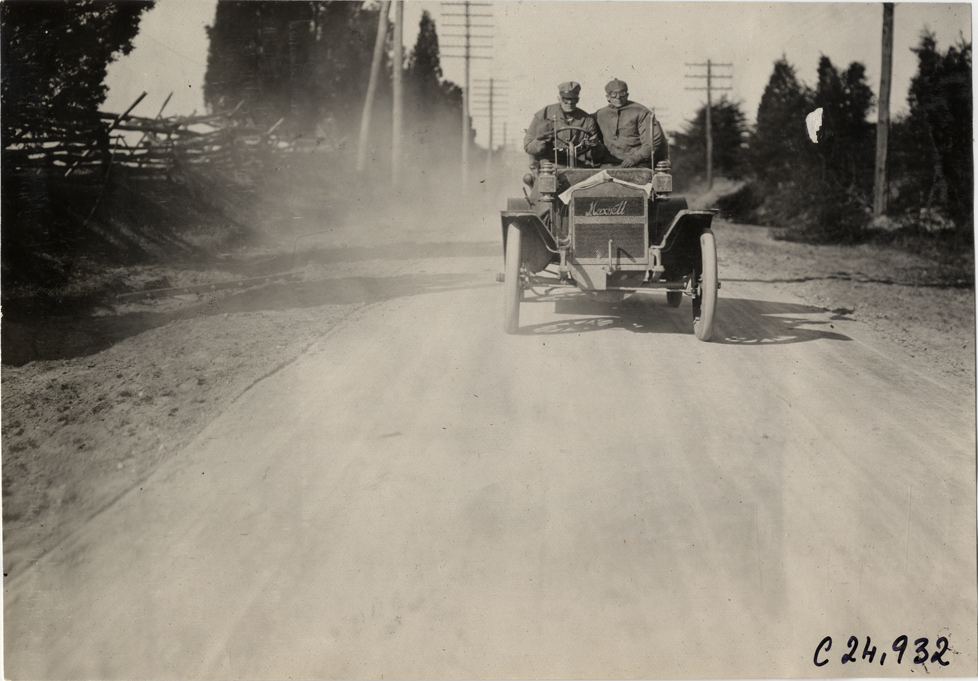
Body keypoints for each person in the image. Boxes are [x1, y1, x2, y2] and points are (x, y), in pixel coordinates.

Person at [523, 81, 603, 168]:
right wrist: (541, 141)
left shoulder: (587, 119)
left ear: (578, 100)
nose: (569, 103)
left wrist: (595, 145)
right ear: (559, 98)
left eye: (573, 100)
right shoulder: (544, 114)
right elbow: (528, 146)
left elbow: (595, 156)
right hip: (550, 165)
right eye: (566, 99)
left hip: (579, 165)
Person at [594, 79, 670, 169]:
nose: (618, 97)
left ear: (627, 95)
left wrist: (636, 158)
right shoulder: (599, 115)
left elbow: (653, 140)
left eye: (622, 93)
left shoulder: (642, 112)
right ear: (608, 97)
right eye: (614, 94)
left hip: (638, 164)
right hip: (609, 164)